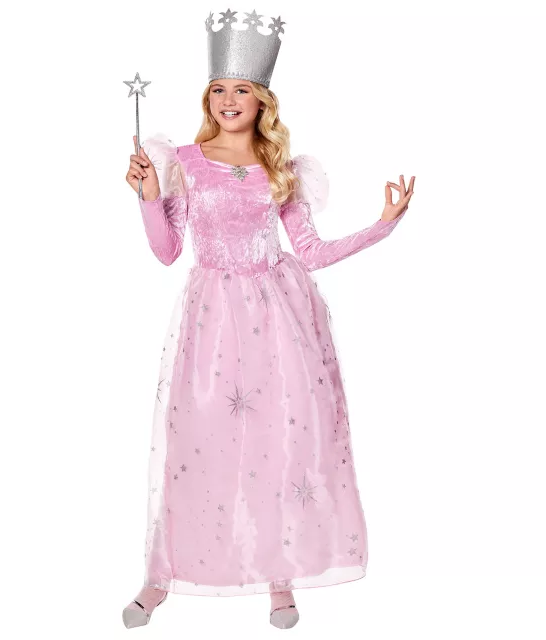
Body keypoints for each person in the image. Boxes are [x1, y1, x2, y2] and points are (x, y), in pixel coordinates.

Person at [122, 8, 414, 630]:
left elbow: (311, 252)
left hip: (277, 321)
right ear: (208, 97)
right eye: (219, 90)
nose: (229, 100)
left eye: (242, 90)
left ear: (262, 100)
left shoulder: (281, 168)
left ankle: (280, 577)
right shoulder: (184, 161)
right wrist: (148, 198)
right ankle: (161, 573)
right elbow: (168, 251)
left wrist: (382, 227)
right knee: (198, 443)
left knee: (278, 441)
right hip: (211, 319)